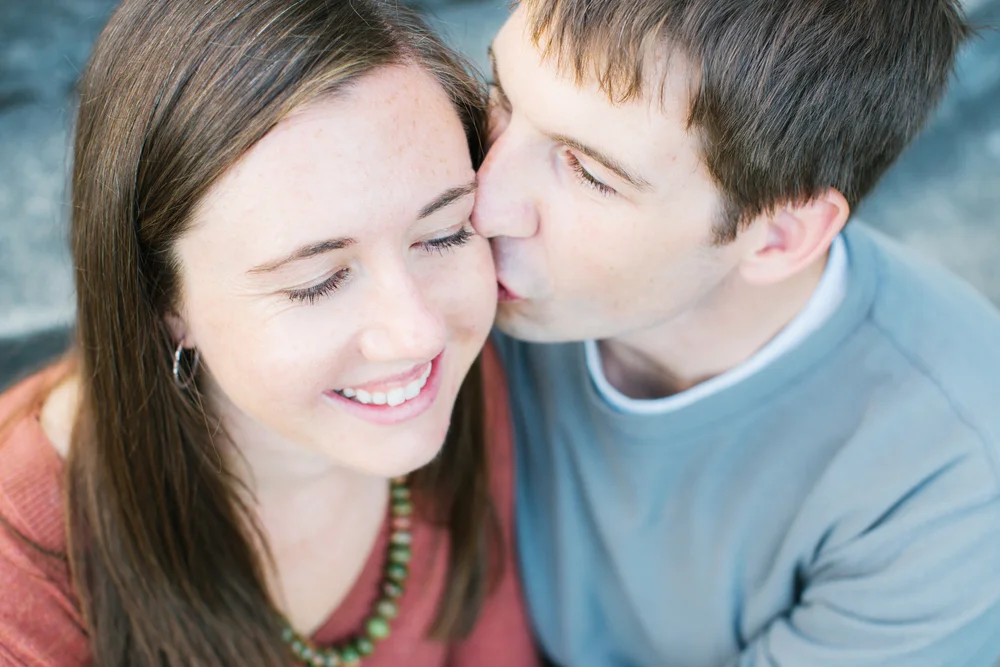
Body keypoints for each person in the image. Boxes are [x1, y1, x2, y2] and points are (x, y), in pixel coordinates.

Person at [0, 1, 539, 666]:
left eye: (444, 232)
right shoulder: (22, 579)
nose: (418, 331)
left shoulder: (464, 382)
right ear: (166, 301)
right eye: (317, 280)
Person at [473, 0, 1000, 665]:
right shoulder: (466, 260)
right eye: (499, 94)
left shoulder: (948, 481)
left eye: (588, 172)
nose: (483, 205)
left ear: (782, 237)